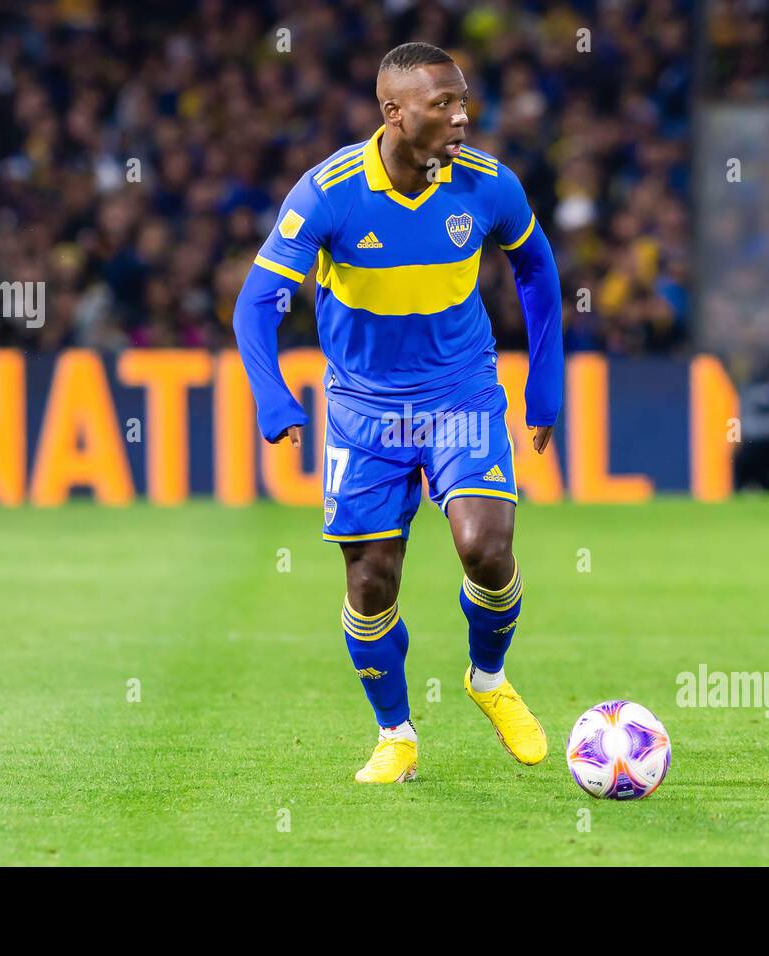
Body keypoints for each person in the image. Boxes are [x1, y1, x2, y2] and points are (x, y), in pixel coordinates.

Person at [233, 41, 563, 783]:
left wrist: (545, 388)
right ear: (394, 112)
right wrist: (271, 393)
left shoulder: (487, 185)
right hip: (364, 408)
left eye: (463, 100)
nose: (461, 116)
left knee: (486, 545)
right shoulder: (329, 192)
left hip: (461, 394)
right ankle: (397, 736)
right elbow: (255, 303)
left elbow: (538, 268)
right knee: (372, 580)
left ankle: (488, 677)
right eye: (442, 104)